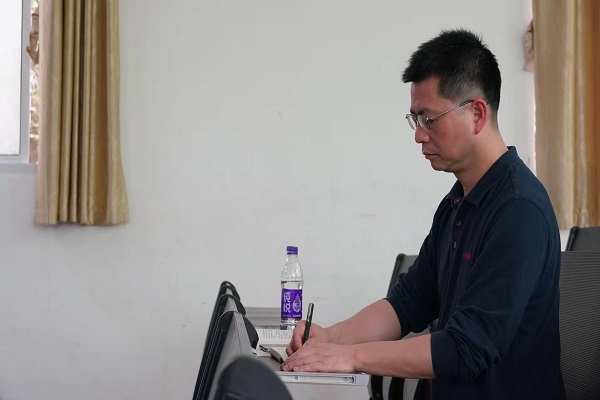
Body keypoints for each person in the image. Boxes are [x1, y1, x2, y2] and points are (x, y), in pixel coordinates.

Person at [282, 29, 565, 400]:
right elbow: (407, 303)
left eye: (429, 119)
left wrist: (349, 357)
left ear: (477, 114)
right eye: (414, 119)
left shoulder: (519, 211)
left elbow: (467, 347)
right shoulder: (457, 203)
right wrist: (329, 338)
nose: (418, 135)